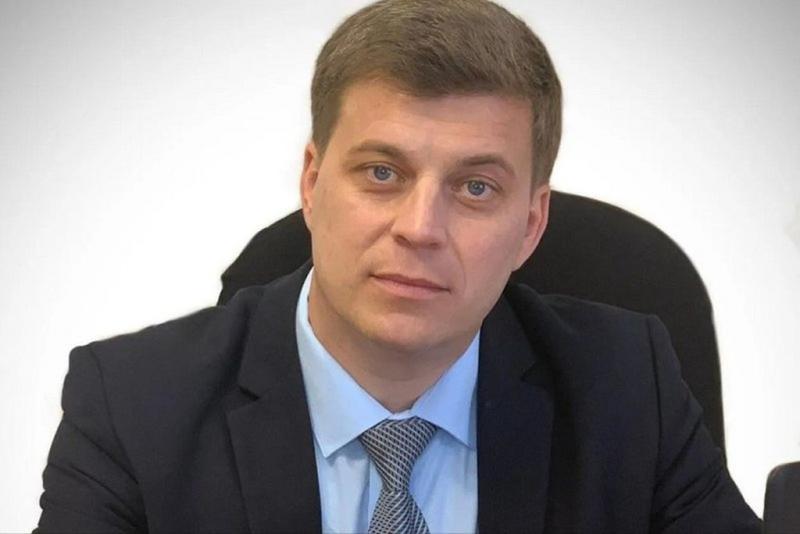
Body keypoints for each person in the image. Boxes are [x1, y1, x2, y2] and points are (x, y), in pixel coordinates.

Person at [36, 0, 760, 532]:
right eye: (382, 173)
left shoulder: (628, 391)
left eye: (476, 188)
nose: (420, 228)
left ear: (530, 225)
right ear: (312, 183)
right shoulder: (131, 406)